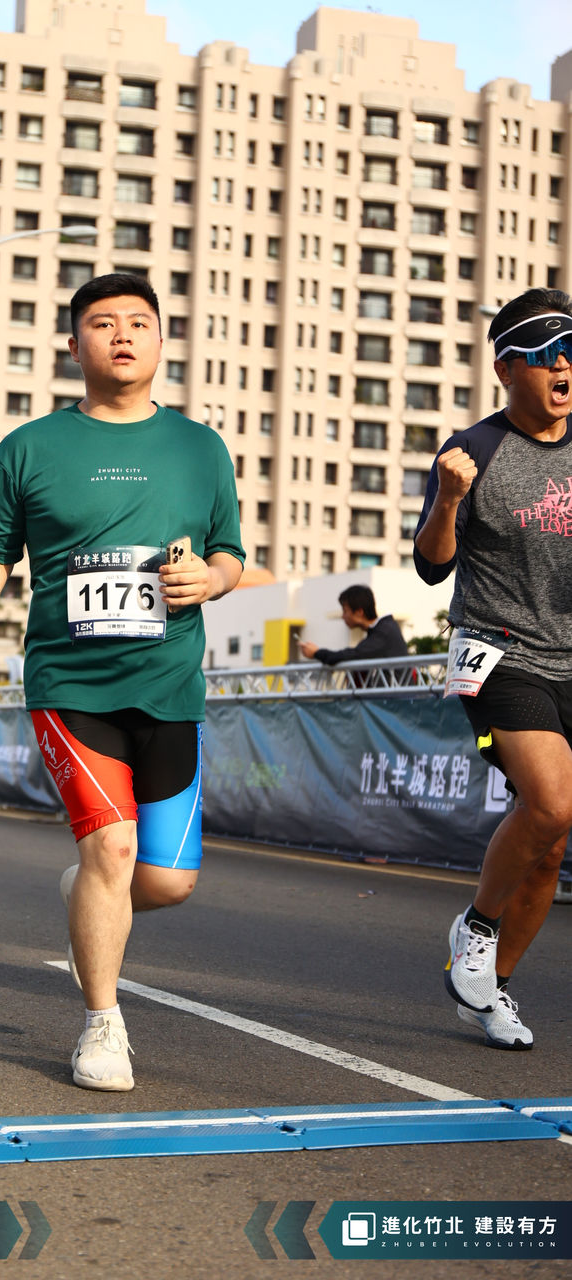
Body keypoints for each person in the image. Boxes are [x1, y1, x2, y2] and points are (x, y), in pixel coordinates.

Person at [0, 273, 245, 1091]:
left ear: (160, 341)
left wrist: (210, 581)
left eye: (138, 322)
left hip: (169, 682)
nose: (122, 335)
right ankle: (102, 1025)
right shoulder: (29, 447)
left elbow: (227, 552)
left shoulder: (200, 447)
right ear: (74, 345)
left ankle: (88, 896)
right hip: (71, 683)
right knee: (112, 846)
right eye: (102, 324)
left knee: (166, 881)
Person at [413, 287, 572, 1051]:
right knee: (550, 802)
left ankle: (489, 990)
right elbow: (429, 566)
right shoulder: (471, 451)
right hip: (498, 650)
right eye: (545, 355)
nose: (563, 366)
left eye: (571, 351)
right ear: (506, 369)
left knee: (549, 847)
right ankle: (475, 926)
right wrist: (448, 499)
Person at [299, 585, 408, 665]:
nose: (343, 616)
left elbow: (353, 655)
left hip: (395, 691)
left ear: (359, 612)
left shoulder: (384, 631)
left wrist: (317, 653)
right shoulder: (382, 629)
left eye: (345, 611)